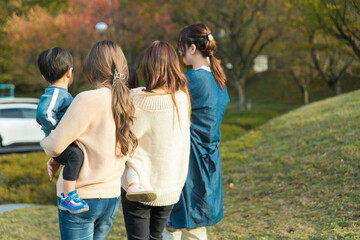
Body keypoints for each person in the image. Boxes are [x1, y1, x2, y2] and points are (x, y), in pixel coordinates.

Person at [41, 40, 137, 240]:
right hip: (111, 197)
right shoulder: (127, 101)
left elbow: (55, 145)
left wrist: (46, 144)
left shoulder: (86, 99)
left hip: (81, 197)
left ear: (90, 68)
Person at [163, 23, 230, 240]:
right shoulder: (219, 80)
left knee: (170, 226)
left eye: (181, 47)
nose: (180, 52)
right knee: (197, 228)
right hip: (208, 161)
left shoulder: (190, 80)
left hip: (188, 162)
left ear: (193, 48)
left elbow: (162, 104)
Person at [120, 40, 191, 240]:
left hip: (139, 187)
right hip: (171, 186)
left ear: (148, 66)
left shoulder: (139, 102)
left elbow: (123, 143)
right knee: (156, 236)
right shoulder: (182, 98)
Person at [36, 47, 88, 214]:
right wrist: (59, 130)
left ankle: (71, 194)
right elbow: (43, 113)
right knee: (76, 155)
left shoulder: (62, 94)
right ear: (69, 72)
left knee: (78, 155)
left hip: (63, 142)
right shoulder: (56, 94)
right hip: (60, 142)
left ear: (44, 76)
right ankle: (69, 196)